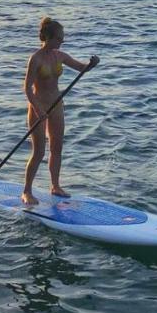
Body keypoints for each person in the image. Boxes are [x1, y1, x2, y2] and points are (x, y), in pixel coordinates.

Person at [22, 17, 98, 205]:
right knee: (39, 152)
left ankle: (55, 186)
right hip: (38, 107)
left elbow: (81, 68)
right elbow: (27, 88)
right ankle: (26, 191)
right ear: (47, 37)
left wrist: (92, 64)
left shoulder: (60, 56)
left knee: (57, 148)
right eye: (59, 39)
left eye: (62, 39)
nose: (61, 42)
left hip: (56, 105)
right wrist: (39, 110)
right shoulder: (36, 58)